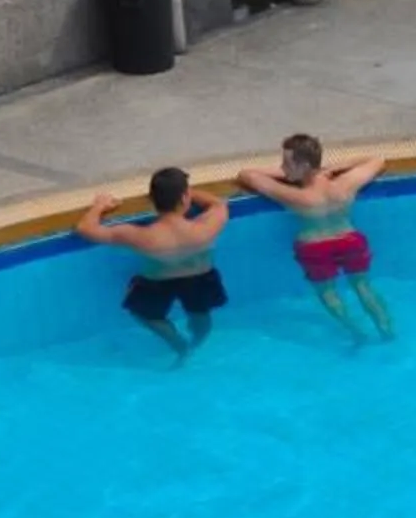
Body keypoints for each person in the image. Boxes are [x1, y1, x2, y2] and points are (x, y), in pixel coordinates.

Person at [237, 134, 394, 344]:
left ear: (304, 165)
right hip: (350, 240)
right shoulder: (344, 185)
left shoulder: (293, 195)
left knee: (328, 293)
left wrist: (288, 176)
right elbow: (378, 160)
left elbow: (247, 175)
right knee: (363, 287)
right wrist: (331, 168)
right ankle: (386, 330)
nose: (283, 168)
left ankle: (356, 332)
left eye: (287, 163)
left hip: (315, 248)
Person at [73, 167, 228, 362]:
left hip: (157, 282)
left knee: (145, 314)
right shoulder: (206, 227)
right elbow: (217, 203)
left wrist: (99, 206)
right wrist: (184, 191)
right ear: (184, 198)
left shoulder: (139, 236)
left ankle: (178, 344)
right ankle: (198, 340)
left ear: (152, 200)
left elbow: (85, 229)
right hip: (200, 279)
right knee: (200, 312)